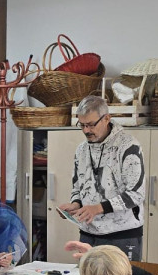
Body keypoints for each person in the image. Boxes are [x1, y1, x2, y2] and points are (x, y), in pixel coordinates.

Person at [56, 95, 146, 260]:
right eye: (81, 125)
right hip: (88, 234)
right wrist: (75, 205)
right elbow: (78, 187)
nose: (86, 131)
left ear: (106, 118)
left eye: (90, 125)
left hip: (123, 236)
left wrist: (96, 208)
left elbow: (136, 194)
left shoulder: (128, 146)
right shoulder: (81, 150)